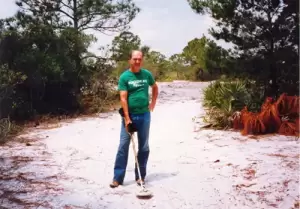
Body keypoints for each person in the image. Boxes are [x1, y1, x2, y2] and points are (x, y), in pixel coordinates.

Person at [109, 50, 159, 188]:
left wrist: (153, 102)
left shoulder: (146, 74)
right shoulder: (125, 77)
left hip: (144, 115)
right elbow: (123, 98)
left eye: (139, 59)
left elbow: (154, 87)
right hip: (129, 116)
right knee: (123, 146)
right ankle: (117, 178)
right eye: (135, 59)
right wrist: (126, 118)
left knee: (144, 147)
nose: (137, 61)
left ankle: (140, 176)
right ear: (130, 60)